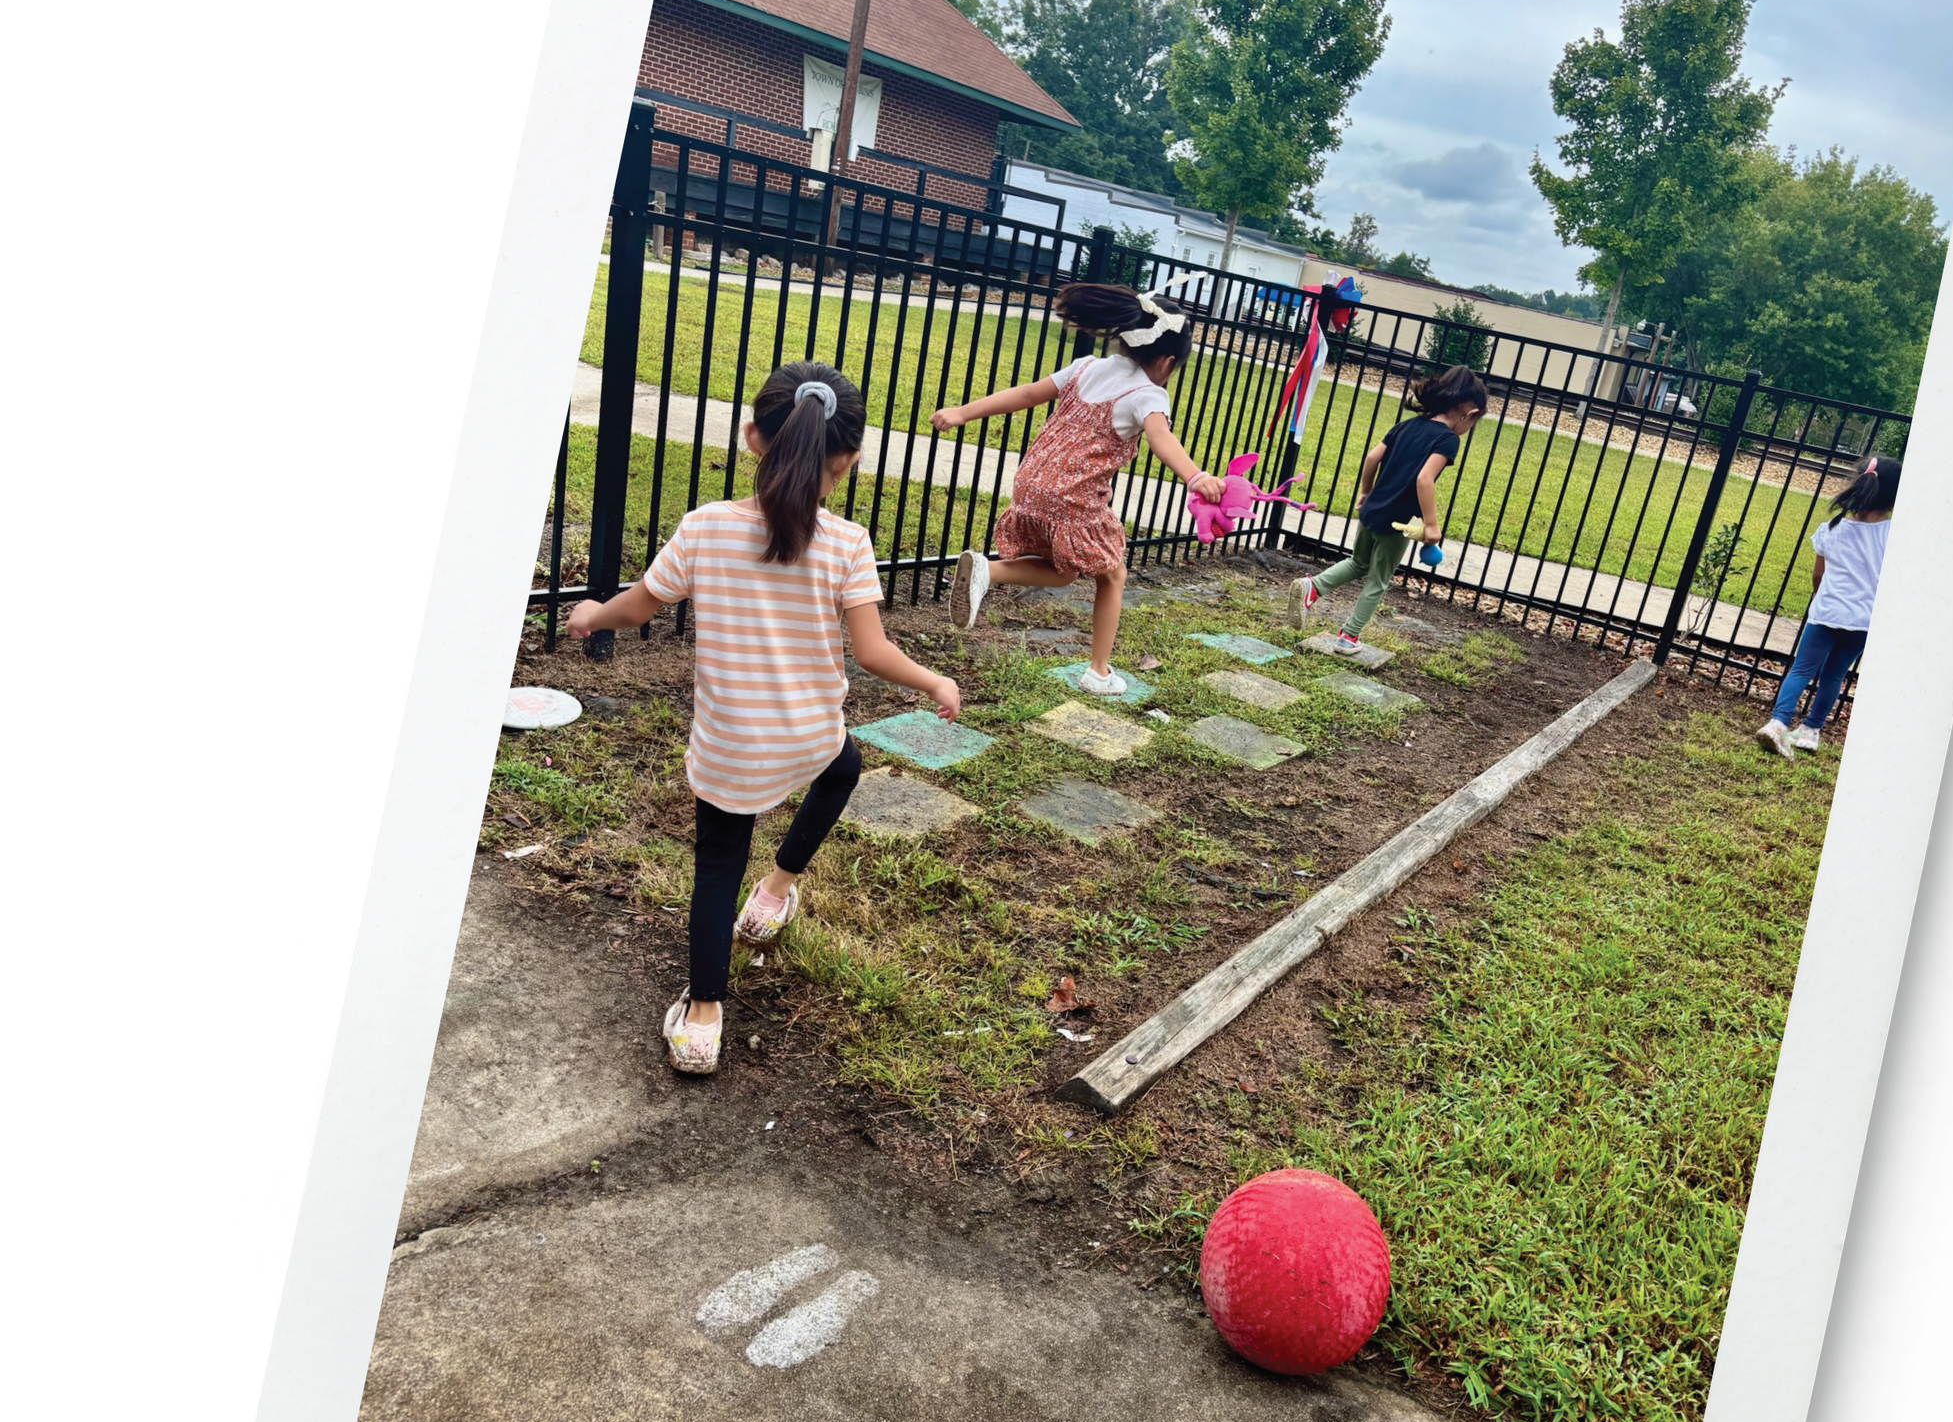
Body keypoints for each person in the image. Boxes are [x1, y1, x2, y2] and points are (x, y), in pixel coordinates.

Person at [566, 361, 961, 1075]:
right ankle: (778, 889)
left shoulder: (705, 529)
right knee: (844, 765)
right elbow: (871, 651)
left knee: (717, 871)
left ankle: (703, 1020)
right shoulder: (848, 544)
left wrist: (593, 613)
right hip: (809, 735)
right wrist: (935, 677)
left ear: (753, 438)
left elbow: (637, 608)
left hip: (730, 750)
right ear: (847, 461)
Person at [935, 284, 1223, 687]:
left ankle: (989, 570)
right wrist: (1196, 476)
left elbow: (1025, 393)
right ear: (1167, 361)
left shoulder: (1085, 367)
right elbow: (1161, 438)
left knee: (1064, 572)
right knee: (1113, 575)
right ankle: (1098, 671)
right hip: (1071, 497)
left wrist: (962, 412)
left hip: (1031, 484)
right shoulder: (1147, 395)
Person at [1293, 366, 1487, 653]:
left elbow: (1372, 458)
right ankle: (1349, 637)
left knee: (1359, 562)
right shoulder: (1448, 439)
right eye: (1472, 424)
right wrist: (1432, 525)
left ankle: (1313, 587)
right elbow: (1424, 479)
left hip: (1372, 510)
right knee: (1378, 580)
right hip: (1398, 522)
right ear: (1468, 414)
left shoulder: (1406, 425)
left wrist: (1366, 491)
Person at [1757, 453, 1900, 760]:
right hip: (1862, 621)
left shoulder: (1831, 528)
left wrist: (1817, 597)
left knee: (1801, 670)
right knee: (1834, 676)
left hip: (1825, 615)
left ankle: (1778, 723)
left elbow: (1818, 574)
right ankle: (1811, 731)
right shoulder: (1894, 535)